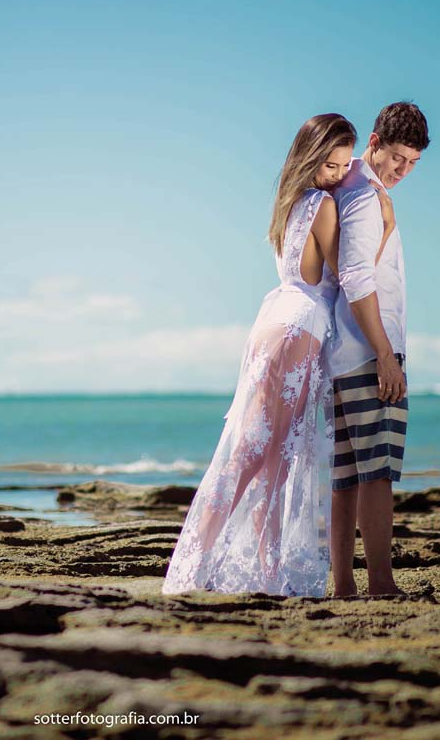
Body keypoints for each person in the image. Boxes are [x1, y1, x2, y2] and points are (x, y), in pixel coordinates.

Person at [162, 113, 356, 597]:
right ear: (311, 158)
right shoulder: (323, 207)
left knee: (263, 454)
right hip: (298, 328)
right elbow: (348, 274)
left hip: (273, 322)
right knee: (256, 453)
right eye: (330, 165)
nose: (337, 175)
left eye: (343, 166)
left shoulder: (287, 203)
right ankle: (194, 568)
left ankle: (256, 572)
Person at [327, 101, 430, 598]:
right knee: (378, 473)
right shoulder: (365, 195)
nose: (402, 171)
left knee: (347, 477)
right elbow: (355, 276)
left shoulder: (347, 187)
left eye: (411, 163)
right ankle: (382, 585)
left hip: (344, 354)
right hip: (369, 352)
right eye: (395, 158)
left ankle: (344, 584)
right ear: (373, 142)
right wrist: (386, 355)